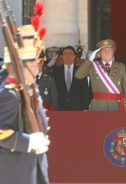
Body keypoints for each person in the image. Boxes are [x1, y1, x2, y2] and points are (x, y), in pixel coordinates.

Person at [0, 26, 50, 184]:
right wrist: (29, 142)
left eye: (37, 61)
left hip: (32, 170)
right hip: (15, 173)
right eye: (33, 62)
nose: (37, 66)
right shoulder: (10, 94)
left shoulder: (29, 90)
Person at [75, 39, 126, 111]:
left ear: (113, 52)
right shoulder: (93, 66)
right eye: (103, 50)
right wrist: (90, 60)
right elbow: (78, 75)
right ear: (99, 54)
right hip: (98, 106)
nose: (107, 52)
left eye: (109, 50)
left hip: (116, 106)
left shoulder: (121, 67)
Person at [52, 46, 91, 111]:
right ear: (62, 57)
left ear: (74, 56)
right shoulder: (56, 71)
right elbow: (53, 90)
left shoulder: (81, 70)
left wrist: (85, 107)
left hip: (78, 108)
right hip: (60, 108)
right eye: (65, 54)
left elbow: (86, 90)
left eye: (70, 53)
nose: (68, 56)